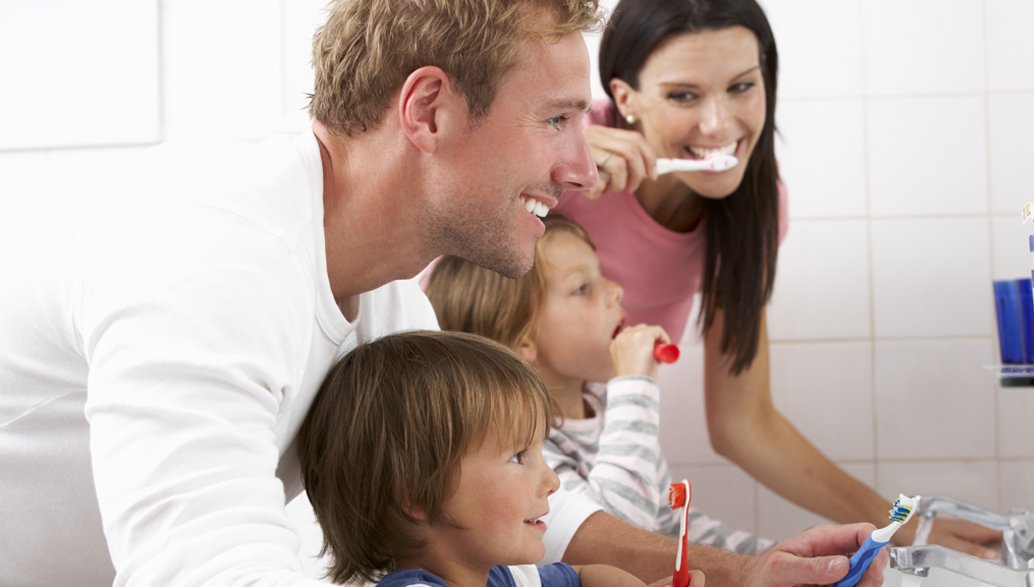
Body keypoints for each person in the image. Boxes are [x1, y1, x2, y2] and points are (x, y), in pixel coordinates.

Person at [0, 0, 886, 584]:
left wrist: (746, 572)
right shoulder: (209, 252)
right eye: (555, 120)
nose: (580, 167)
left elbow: (502, 488)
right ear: (427, 111)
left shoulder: (384, 289)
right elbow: (206, 568)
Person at [556, 0, 1002, 557]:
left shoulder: (755, 204)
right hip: (480, 434)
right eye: (683, 95)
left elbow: (744, 422)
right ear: (624, 98)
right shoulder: (563, 153)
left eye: (742, 86)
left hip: (592, 456)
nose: (719, 124)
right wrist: (539, 160)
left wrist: (902, 525)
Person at [426, 215, 775, 555]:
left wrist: (770, 559)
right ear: (524, 341)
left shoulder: (607, 407)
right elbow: (621, 539)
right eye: (582, 288)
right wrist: (634, 385)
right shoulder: (524, 446)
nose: (615, 291)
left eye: (602, 275)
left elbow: (671, 527)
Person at [298, 330, 661, 587]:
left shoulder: (506, 576)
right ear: (421, 495)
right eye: (520, 457)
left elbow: (584, 576)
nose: (552, 481)